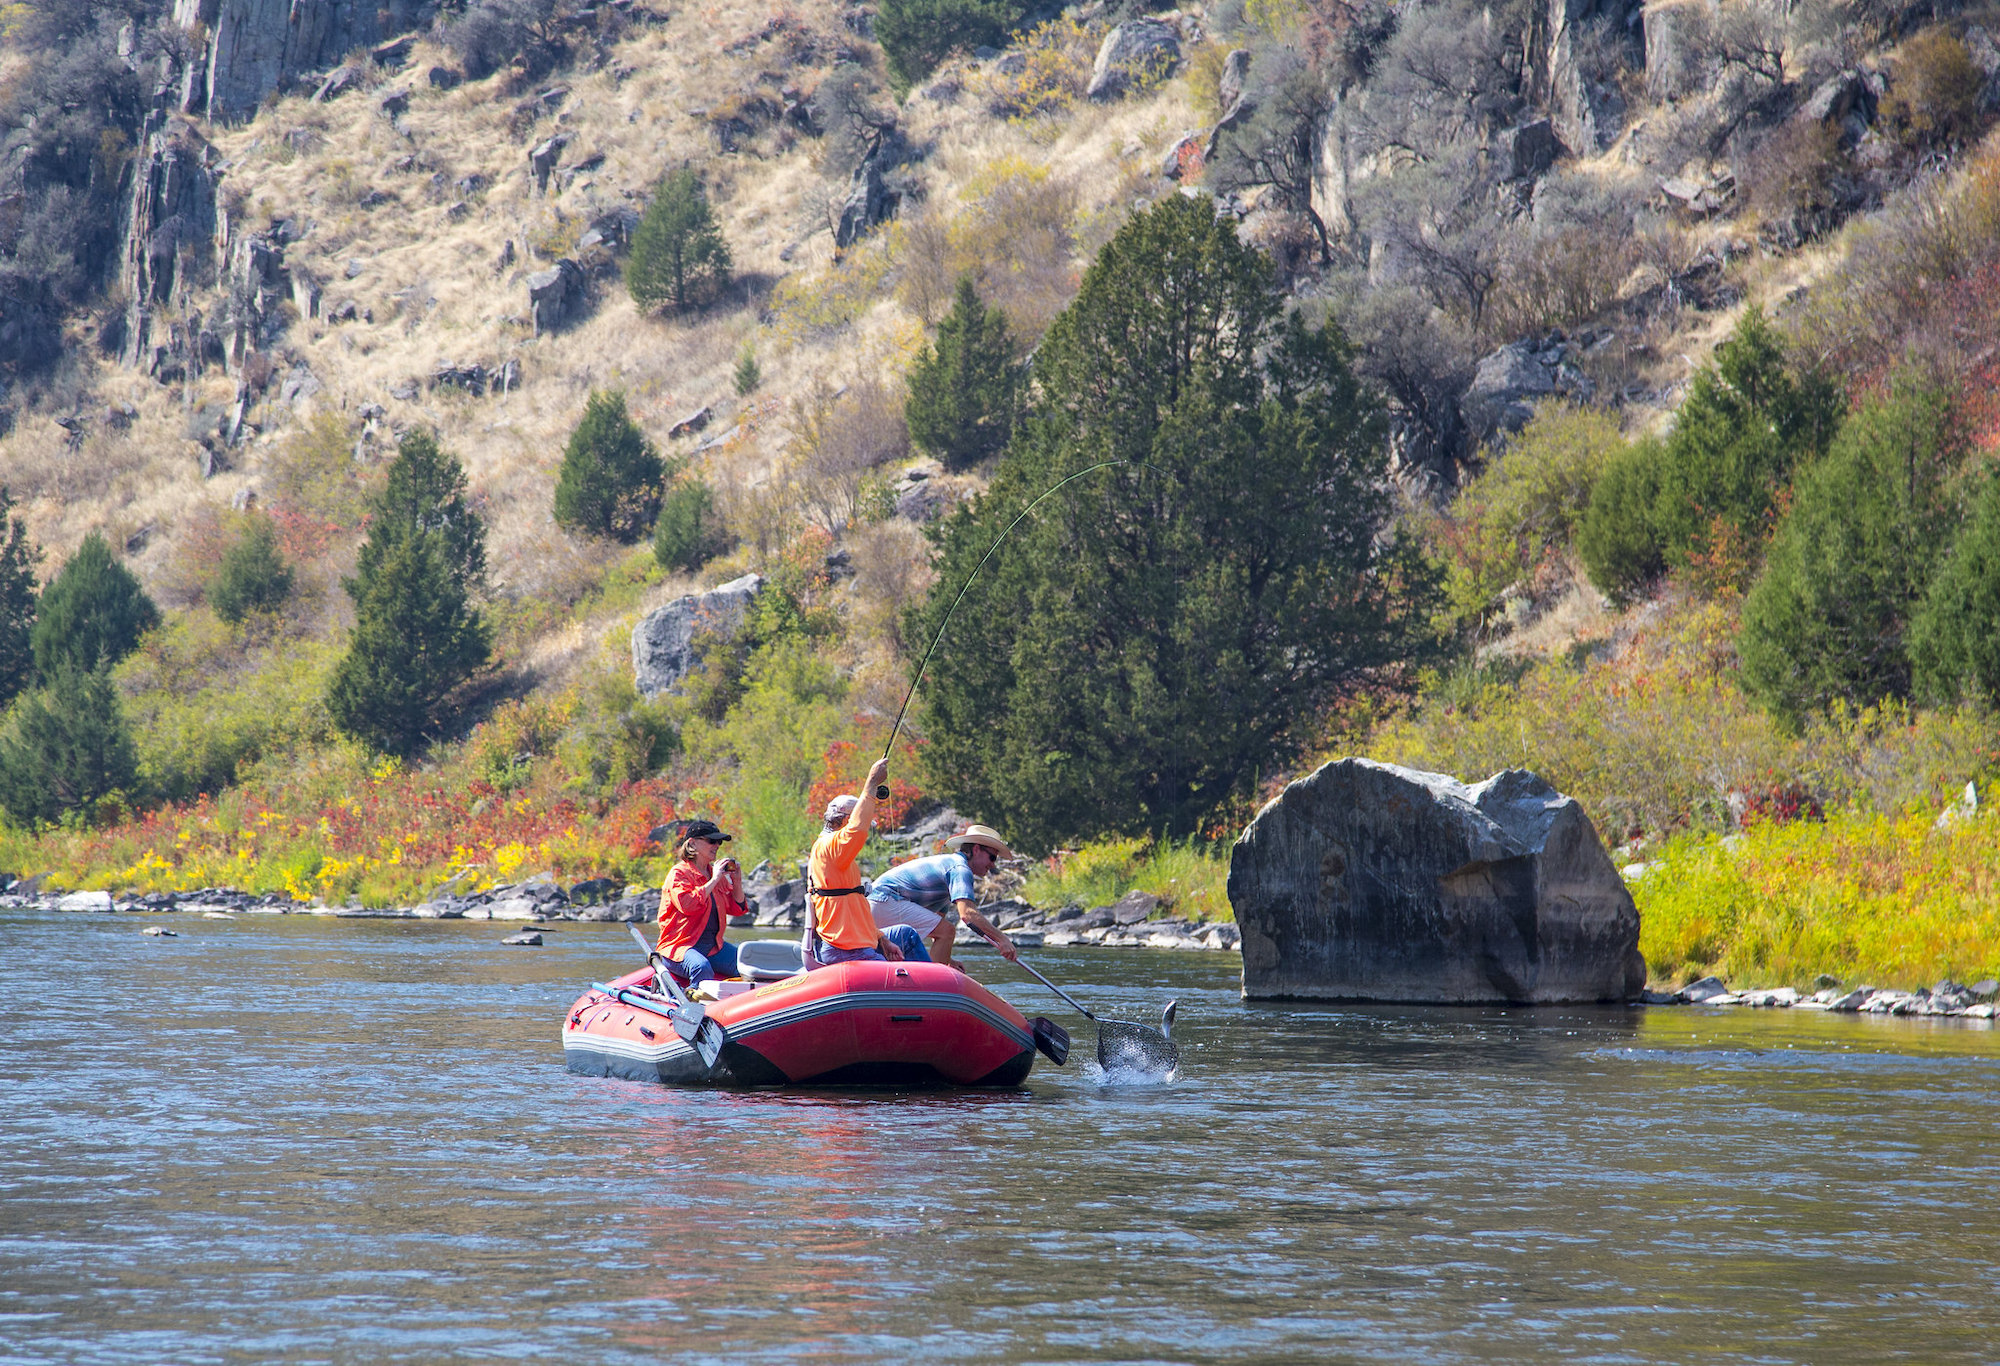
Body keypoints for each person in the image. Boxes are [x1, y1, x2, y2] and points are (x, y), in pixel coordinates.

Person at [806, 756, 927, 968]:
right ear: (844, 821)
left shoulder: (838, 856)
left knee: (905, 935)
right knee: (894, 975)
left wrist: (881, 939)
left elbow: (855, 910)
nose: (867, 833)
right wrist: (871, 784)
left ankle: (932, 990)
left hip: (858, 941)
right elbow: (857, 830)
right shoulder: (831, 847)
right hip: (844, 949)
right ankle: (928, 993)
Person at [868, 824, 1021, 968]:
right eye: (992, 858)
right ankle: (933, 986)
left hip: (874, 906)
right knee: (948, 930)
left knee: (944, 931)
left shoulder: (950, 869)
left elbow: (936, 928)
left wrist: (948, 959)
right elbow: (967, 914)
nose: (993, 865)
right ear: (976, 849)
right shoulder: (960, 868)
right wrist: (1002, 939)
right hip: (884, 899)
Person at [657, 818, 746, 986]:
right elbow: (688, 905)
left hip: (713, 947)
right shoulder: (679, 874)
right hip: (678, 947)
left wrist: (737, 882)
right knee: (701, 967)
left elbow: (737, 909)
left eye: (719, 842)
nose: (717, 845)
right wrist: (714, 880)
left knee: (748, 966)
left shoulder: (715, 874)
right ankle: (693, 1006)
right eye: (711, 841)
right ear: (692, 844)